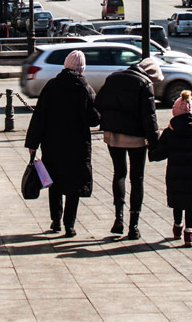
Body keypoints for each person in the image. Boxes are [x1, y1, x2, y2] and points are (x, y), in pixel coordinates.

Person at [25, 50, 100, 238]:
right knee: (73, 186)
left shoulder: (51, 86)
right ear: (82, 68)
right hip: (77, 145)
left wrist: (32, 143)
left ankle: (56, 220)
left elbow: (39, 116)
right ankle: (70, 225)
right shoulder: (85, 89)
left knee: (55, 182)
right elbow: (93, 120)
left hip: (53, 143)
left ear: (65, 65)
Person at [95, 56, 163, 239]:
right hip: (136, 137)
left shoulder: (113, 77)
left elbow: (99, 103)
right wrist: (155, 144)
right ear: (150, 74)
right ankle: (134, 226)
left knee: (119, 173)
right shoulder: (144, 84)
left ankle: (118, 218)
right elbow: (150, 118)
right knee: (137, 178)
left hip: (113, 135)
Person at [150, 90, 192, 247]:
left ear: (175, 112)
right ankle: (189, 233)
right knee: (190, 202)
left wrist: (151, 150)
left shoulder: (170, 132)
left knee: (177, 200)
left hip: (174, 172)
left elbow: (160, 152)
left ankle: (177, 226)